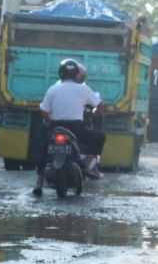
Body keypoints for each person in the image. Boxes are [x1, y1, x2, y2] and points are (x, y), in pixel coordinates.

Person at [32, 58, 107, 195]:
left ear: (60, 73)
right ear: (77, 74)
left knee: (41, 148)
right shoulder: (83, 88)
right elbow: (99, 106)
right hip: (76, 128)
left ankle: (39, 181)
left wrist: (48, 118)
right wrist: (96, 113)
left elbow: (43, 110)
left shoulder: (53, 89)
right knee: (100, 137)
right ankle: (87, 166)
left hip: (55, 127)